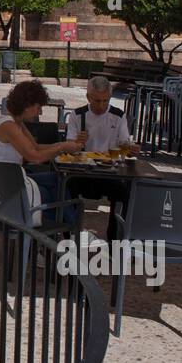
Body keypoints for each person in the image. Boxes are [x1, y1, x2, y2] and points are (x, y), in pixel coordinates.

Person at [0, 80, 82, 227]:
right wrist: (62, 147)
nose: (40, 112)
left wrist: (65, 146)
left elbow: (35, 147)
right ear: (26, 105)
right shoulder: (8, 126)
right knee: (57, 196)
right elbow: (34, 157)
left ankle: (70, 228)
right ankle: (71, 230)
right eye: (38, 107)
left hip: (8, 178)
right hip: (3, 187)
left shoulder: (17, 123)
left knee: (58, 180)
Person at [65, 75, 140, 241]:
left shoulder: (118, 116)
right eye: (97, 100)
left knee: (126, 192)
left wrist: (130, 150)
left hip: (109, 172)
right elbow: (69, 148)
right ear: (88, 97)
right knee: (66, 186)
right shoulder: (78, 115)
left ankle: (116, 238)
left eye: (105, 100)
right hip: (83, 172)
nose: (101, 105)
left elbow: (124, 147)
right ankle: (69, 234)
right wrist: (77, 142)